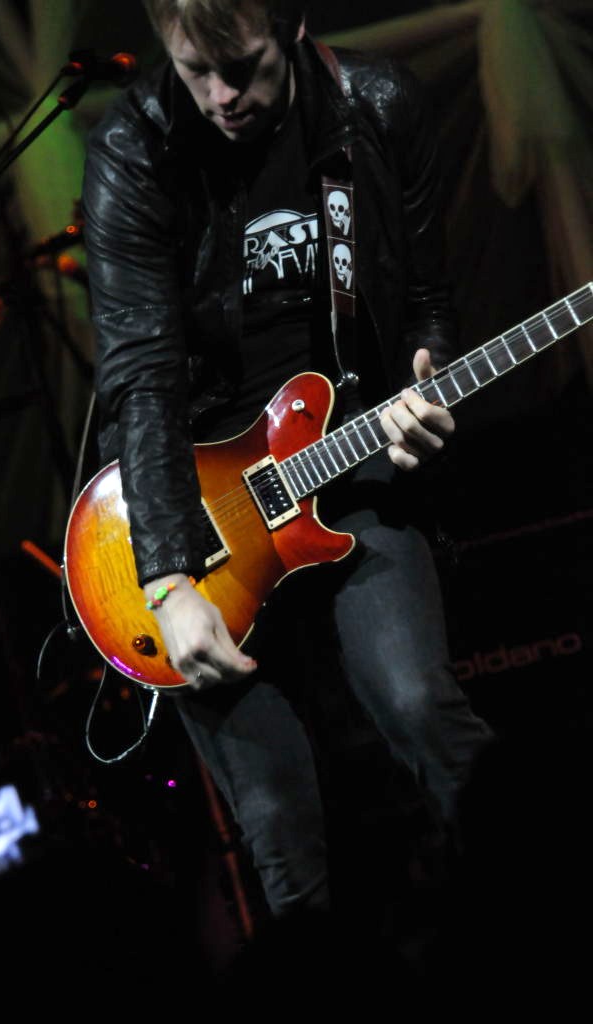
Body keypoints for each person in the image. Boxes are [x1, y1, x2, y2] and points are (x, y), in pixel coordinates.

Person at [81, 0, 493, 961]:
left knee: (424, 709)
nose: (221, 96)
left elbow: (426, 299)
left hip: (343, 464)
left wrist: (427, 373)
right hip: (197, 514)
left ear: (294, 25)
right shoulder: (134, 151)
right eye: (195, 72)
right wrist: (168, 580)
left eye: (245, 69)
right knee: (277, 820)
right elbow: (141, 377)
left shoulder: (376, 104)